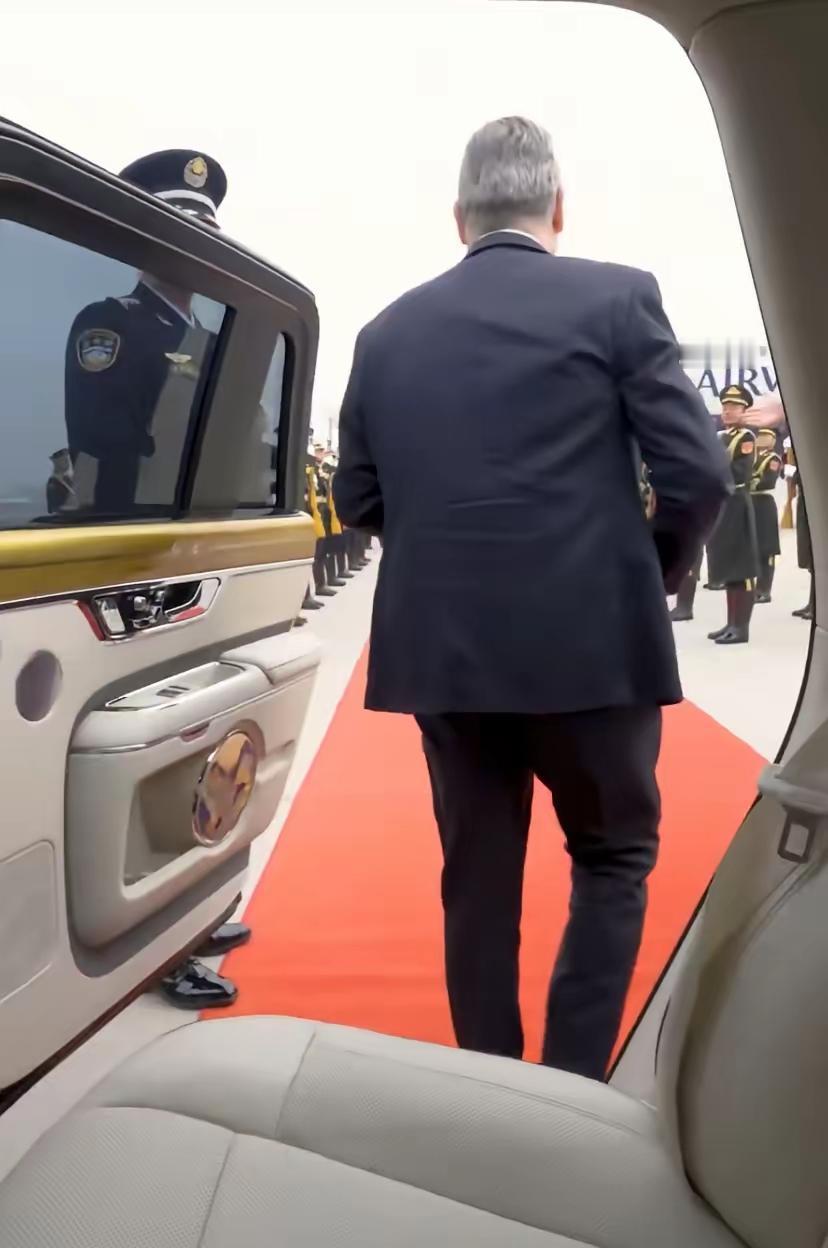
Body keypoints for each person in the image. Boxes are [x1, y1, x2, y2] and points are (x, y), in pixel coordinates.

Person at [334, 116, 730, 1080]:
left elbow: (359, 498)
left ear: (458, 217)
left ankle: (487, 1086)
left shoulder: (385, 333)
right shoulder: (619, 298)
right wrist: (648, 571)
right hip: (595, 650)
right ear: (558, 206)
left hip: (447, 657)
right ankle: (570, 1088)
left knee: (476, 881)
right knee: (612, 858)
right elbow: (698, 475)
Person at [64, 149, 252, 1008]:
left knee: (204, 740)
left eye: (204, 224)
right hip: (135, 571)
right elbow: (103, 439)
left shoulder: (213, 340)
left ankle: (194, 910)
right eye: (178, 221)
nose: (195, 237)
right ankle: (158, 944)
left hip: (202, 564)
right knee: (151, 752)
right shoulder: (112, 325)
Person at [705, 384, 760, 645]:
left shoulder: (745, 438)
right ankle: (731, 623)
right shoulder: (721, 437)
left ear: (744, 411)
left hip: (737, 501)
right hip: (725, 503)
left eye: (734, 407)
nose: (727, 411)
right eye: (725, 406)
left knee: (742, 568)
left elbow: (739, 472)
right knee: (729, 566)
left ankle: (741, 627)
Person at [751, 427, 783, 603]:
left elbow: (768, 480)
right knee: (754, 547)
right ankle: (755, 588)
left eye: (766, 437)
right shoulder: (753, 457)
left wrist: (750, 481)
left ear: (772, 441)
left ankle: (764, 590)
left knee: (767, 550)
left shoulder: (773, 459)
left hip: (764, 504)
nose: (762, 439)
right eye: (760, 436)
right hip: (752, 503)